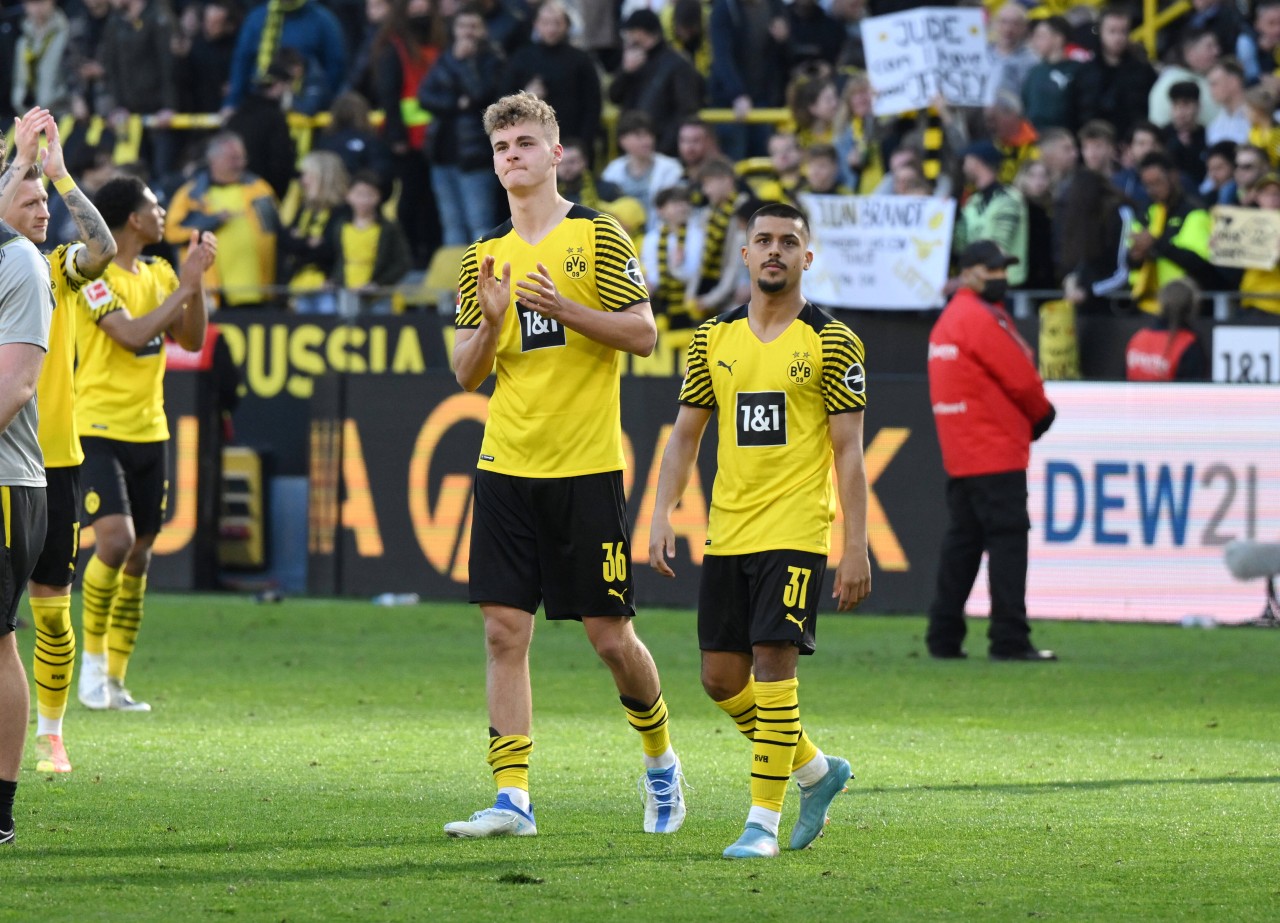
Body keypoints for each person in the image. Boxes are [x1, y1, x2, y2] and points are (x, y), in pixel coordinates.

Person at [443, 92, 685, 839]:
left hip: (585, 466)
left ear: (555, 154)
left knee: (611, 638)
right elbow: (464, 374)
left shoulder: (599, 236)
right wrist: (488, 324)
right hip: (507, 464)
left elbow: (643, 335)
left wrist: (565, 307)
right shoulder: (481, 257)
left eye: (523, 143)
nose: (510, 155)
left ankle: (661, 763)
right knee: (502, 631)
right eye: (500, 147)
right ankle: (512, 797)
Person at [648, 201, 870, 859]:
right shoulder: (711, 339)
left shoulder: (832, 341)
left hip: (797, 528)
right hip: (728, 531)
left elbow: (850, 451)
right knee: (721, 678)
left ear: (808, 256)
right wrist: (662, 511)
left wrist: (853, 546)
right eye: (763, 240)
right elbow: (685, 433)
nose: (775, 250)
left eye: (789, 241)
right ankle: (815, 770)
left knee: (774, 665)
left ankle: (760, 824)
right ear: (744, 254)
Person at [75, 175, 217, 712]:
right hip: (98, 428)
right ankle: (90, 668)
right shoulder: (92, 276)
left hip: (149, 429)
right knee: (113, 542)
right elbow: (131, 335)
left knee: (138, 555)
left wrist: (193, 284)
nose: (163, 214)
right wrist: (185, 286)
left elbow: (192, 338)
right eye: (155, 206)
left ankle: (115, 679)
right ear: (133, 219)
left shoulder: (159, 273)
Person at [0, 110, 115, 772]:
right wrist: (17, 163)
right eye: (33, 199)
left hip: (55, 461)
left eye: (47, 202)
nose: (44, 209)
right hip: (8, 468)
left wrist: (62, 175)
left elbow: (99, 251)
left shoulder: (55, 267)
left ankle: (51, 732)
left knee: (50, 609)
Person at [926, 240, 1057, 663]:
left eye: (1004, 268)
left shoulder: (950, 320)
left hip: (963, 449)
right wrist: (1042, 415)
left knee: (963, 543)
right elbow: (1020, 377)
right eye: (993, 269)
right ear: (969, 273)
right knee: (1007, 542)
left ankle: (943, 635)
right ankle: (1009, 637)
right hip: (995, 449)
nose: (1002, 276)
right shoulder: (979, 318)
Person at [0, 118, 56, 846]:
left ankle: (1, 806)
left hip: (6, 478)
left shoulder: (20, 261)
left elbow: (14, 383)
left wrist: (48, 168)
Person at [165, 132, 279, 308]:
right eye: (233, 159)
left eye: (242, 158)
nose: (240, 164)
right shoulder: (191, 194)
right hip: (212, 296)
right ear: (214, 160)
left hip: (259, 291)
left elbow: (278, 230)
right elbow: (172, 233)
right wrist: (211, 222)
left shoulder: (259, 189)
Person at [1125, 277, 1209, 380]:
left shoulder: (1138, 338)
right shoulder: (1189, 343)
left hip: (1136, 396)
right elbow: (1193, 389)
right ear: (1193, 306)